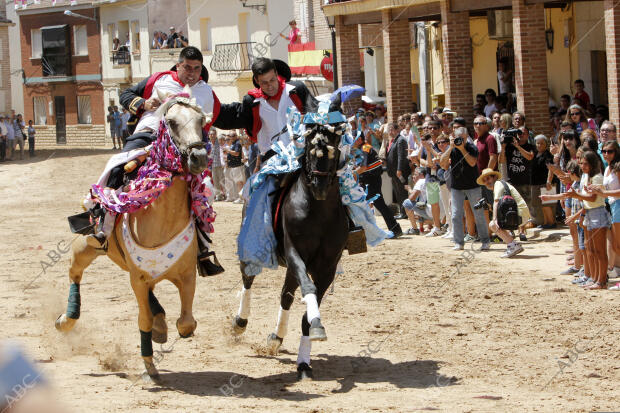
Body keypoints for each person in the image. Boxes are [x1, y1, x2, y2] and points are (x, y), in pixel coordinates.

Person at [439, 126, 490, 251]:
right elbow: (443, 163)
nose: (460, 140)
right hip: (457, 186)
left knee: (478, 214)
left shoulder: (472, 147)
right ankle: (459, 242)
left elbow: (472, 162)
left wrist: (462, 149)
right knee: (456, 215)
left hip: (473, 186)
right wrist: (450, 147)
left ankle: (485, 241)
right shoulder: (452, 149)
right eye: (458, 138)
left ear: (466, 137)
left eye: (462, 138)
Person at [353, 134, 402, 238]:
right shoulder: (363, 148)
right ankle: (395, 229)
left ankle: (393, 229)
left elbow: (364, 167)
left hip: (372, 180)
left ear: (360, 139)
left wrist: (352, 174)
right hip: (370, 180)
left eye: (354, 139)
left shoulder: (365, 148)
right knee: (376, 205)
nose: (352, 141)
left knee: (367, 205)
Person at [478, 168, 528, 258]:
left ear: (495, 177)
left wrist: (495, 219)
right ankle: (512, 245)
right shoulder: (500, 185)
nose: (487, 182)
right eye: (484, 181)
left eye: (488, 178)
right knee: (496, 224)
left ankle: (513, 245)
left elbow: (496, 202)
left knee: (493, 224)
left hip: (519, 214)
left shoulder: (498, 184)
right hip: (519, 214)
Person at [500, 120, 534, 240]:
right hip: (511, 180)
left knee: (524, 207)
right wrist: (503, 147)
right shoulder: (509, 147)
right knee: (511, 206)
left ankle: (522, 231)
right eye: (519, 133)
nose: (521, 135)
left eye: (523, 133)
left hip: (525, 180)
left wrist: (518, 147)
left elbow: (529, 157)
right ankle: (512, 229)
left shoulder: (530, 146)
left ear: (528, 135)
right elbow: (501, 160)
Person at [386, 122, 411, 219]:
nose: (390, 132)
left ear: (397, 130)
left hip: (399, 172)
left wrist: (399, 169)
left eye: (392, 129)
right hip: (393, 172)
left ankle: (404, 212)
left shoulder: (401, 140)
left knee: (402, 192)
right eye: (389, 130)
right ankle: (402, 211)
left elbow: (402, 156)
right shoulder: (392, 141)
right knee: (398, 192)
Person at [530, 135, 555, 228]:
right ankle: (545, 222)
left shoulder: (548, 155)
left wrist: (549, 181)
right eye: (538, 143)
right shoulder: (535, 154)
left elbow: (551, 169)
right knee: (541, 204)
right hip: (536, 182)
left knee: (547, 204)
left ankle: (551, 222)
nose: (539, 145)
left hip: (545, 182)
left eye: (542, 143)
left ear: (546, 145)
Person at [223, 131, 245, 203]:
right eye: (230, 136)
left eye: (233, 136)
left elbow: (236, 153)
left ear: (236, 136)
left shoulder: (237, 143)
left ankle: (241, 198)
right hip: (234, 166)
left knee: (239, 182)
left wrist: (228, 151)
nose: (231, 138)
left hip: (237, 165)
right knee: (238, 182)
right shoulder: (234, 143)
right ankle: (240, 197)